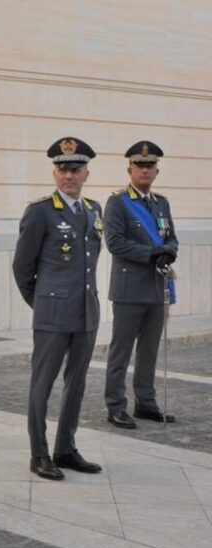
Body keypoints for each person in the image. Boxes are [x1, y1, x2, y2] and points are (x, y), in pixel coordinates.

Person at [12, 137, 104, 481]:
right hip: (52, 314)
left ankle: (65, 448)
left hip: (86, 313)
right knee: (42, 384)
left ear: (86, 174)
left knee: (76, 383)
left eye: (76, 170)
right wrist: (42, 302)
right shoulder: (40, 211)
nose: (69, 176)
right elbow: (23, 268)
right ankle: (39, 453)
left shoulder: (94, 210)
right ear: (54, 173)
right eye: (63, 169)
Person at [104, 141, 179, 429]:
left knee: (149, 349)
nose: (144, 170)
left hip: (157, 286)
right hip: (129, 289)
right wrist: (152, 253)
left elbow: (171, 236)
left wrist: (170, 250)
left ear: (156, 171)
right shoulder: (118, 202)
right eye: (139, 165)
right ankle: (116, 405)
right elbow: (115, 243)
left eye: (149, 166)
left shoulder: (161, 203)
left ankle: (145, 403)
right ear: (130, 169)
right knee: (121, 350)